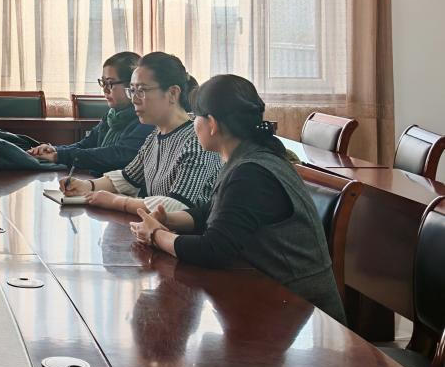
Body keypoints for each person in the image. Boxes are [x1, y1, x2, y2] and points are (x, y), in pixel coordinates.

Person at [130, 74, 346, 323]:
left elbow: (213, 250)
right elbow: (211, 210)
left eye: (195, 117)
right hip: (274, 302)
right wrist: (168, 219)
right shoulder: (247, 157)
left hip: (303, 314)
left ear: (212, 124)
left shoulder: (251, 173)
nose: (193, 123)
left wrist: (156, 235)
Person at [59, 51, 220, 215]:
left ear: (172, 93)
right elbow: (128, 178)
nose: (134, 99)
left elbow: (178, 205)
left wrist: (116, 201)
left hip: (191, 231)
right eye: (132, 90)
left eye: (141, 91)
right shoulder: (155, 136)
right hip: (155, 227)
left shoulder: (198, 141)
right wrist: (87, 186)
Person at [29, 51, 152, 173]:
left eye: (110, 83)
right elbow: (86, 144)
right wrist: (55, 150)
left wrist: (59, 156)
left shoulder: (145, 119)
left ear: (131, 85)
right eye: (103, 83)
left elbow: (116, 155)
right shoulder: (111, 116)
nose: (105, 90)